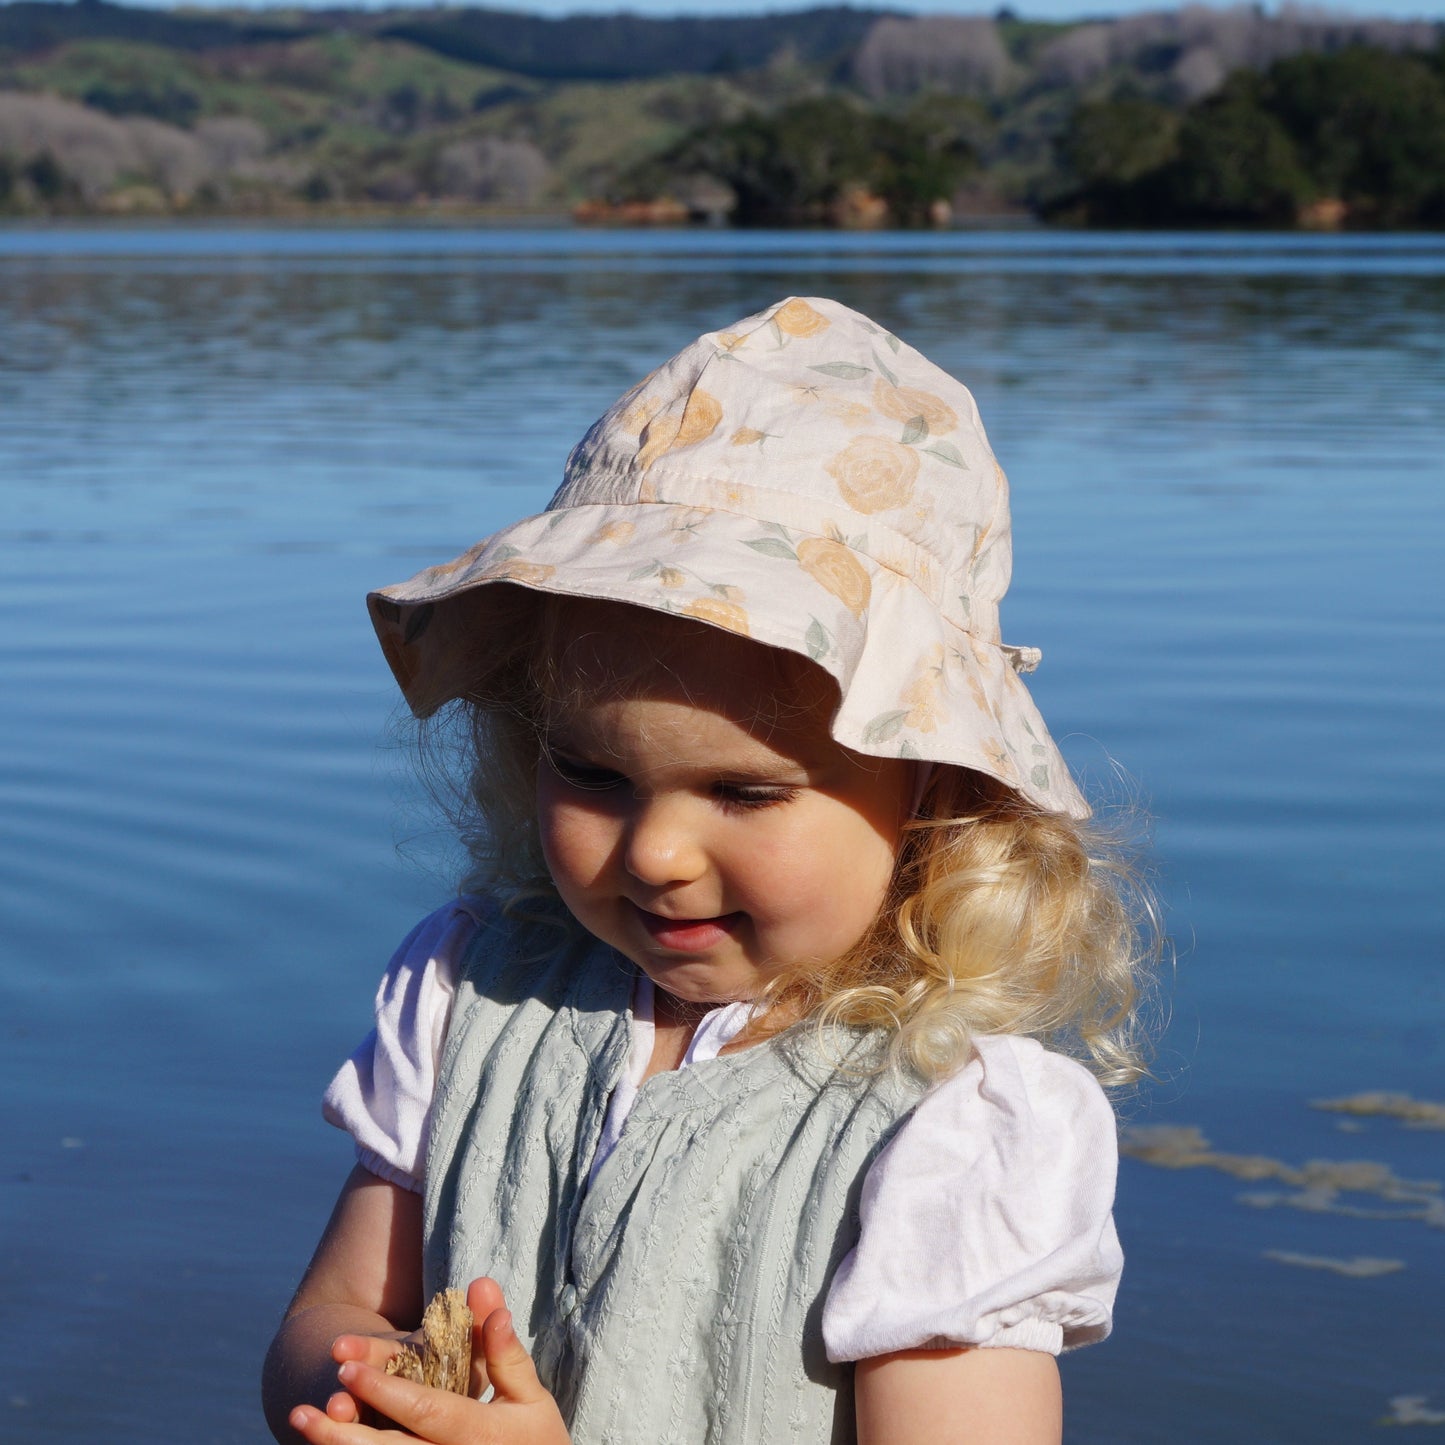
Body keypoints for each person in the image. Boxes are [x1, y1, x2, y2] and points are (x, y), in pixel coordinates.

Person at [263, 296, 1156, 1445]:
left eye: (744, 791)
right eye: (589, 770)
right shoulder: (466, 992)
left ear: (930, 792)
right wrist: (369, 1391)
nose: (653, 854)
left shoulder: (952, 1127)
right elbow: (335, 1306)